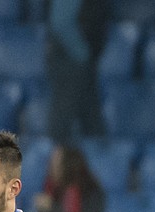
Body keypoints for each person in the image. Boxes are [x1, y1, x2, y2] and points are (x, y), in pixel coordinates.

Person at [46, 0, 108, 141]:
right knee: (62, 123)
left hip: (79, 58)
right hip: (70, 59)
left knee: (91, 118)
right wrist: (83, 53)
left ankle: (98, 158)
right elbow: (61, 23)